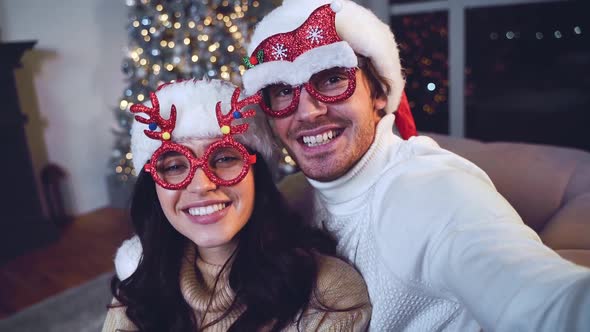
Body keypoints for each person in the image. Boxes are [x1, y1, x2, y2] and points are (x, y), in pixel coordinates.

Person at [240, 0, 590, 331]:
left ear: (379, 94)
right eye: (283, 90)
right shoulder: (292, 198)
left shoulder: (431, 191)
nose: (308, 111)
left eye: (332, 79)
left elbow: (546, 302)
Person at [102, 79, 371, 331]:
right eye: (174, 166)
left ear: (258, 176)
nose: (202, 185)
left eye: (224, 159)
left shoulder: (329, 294)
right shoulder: (139, 285)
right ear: (154, 189)